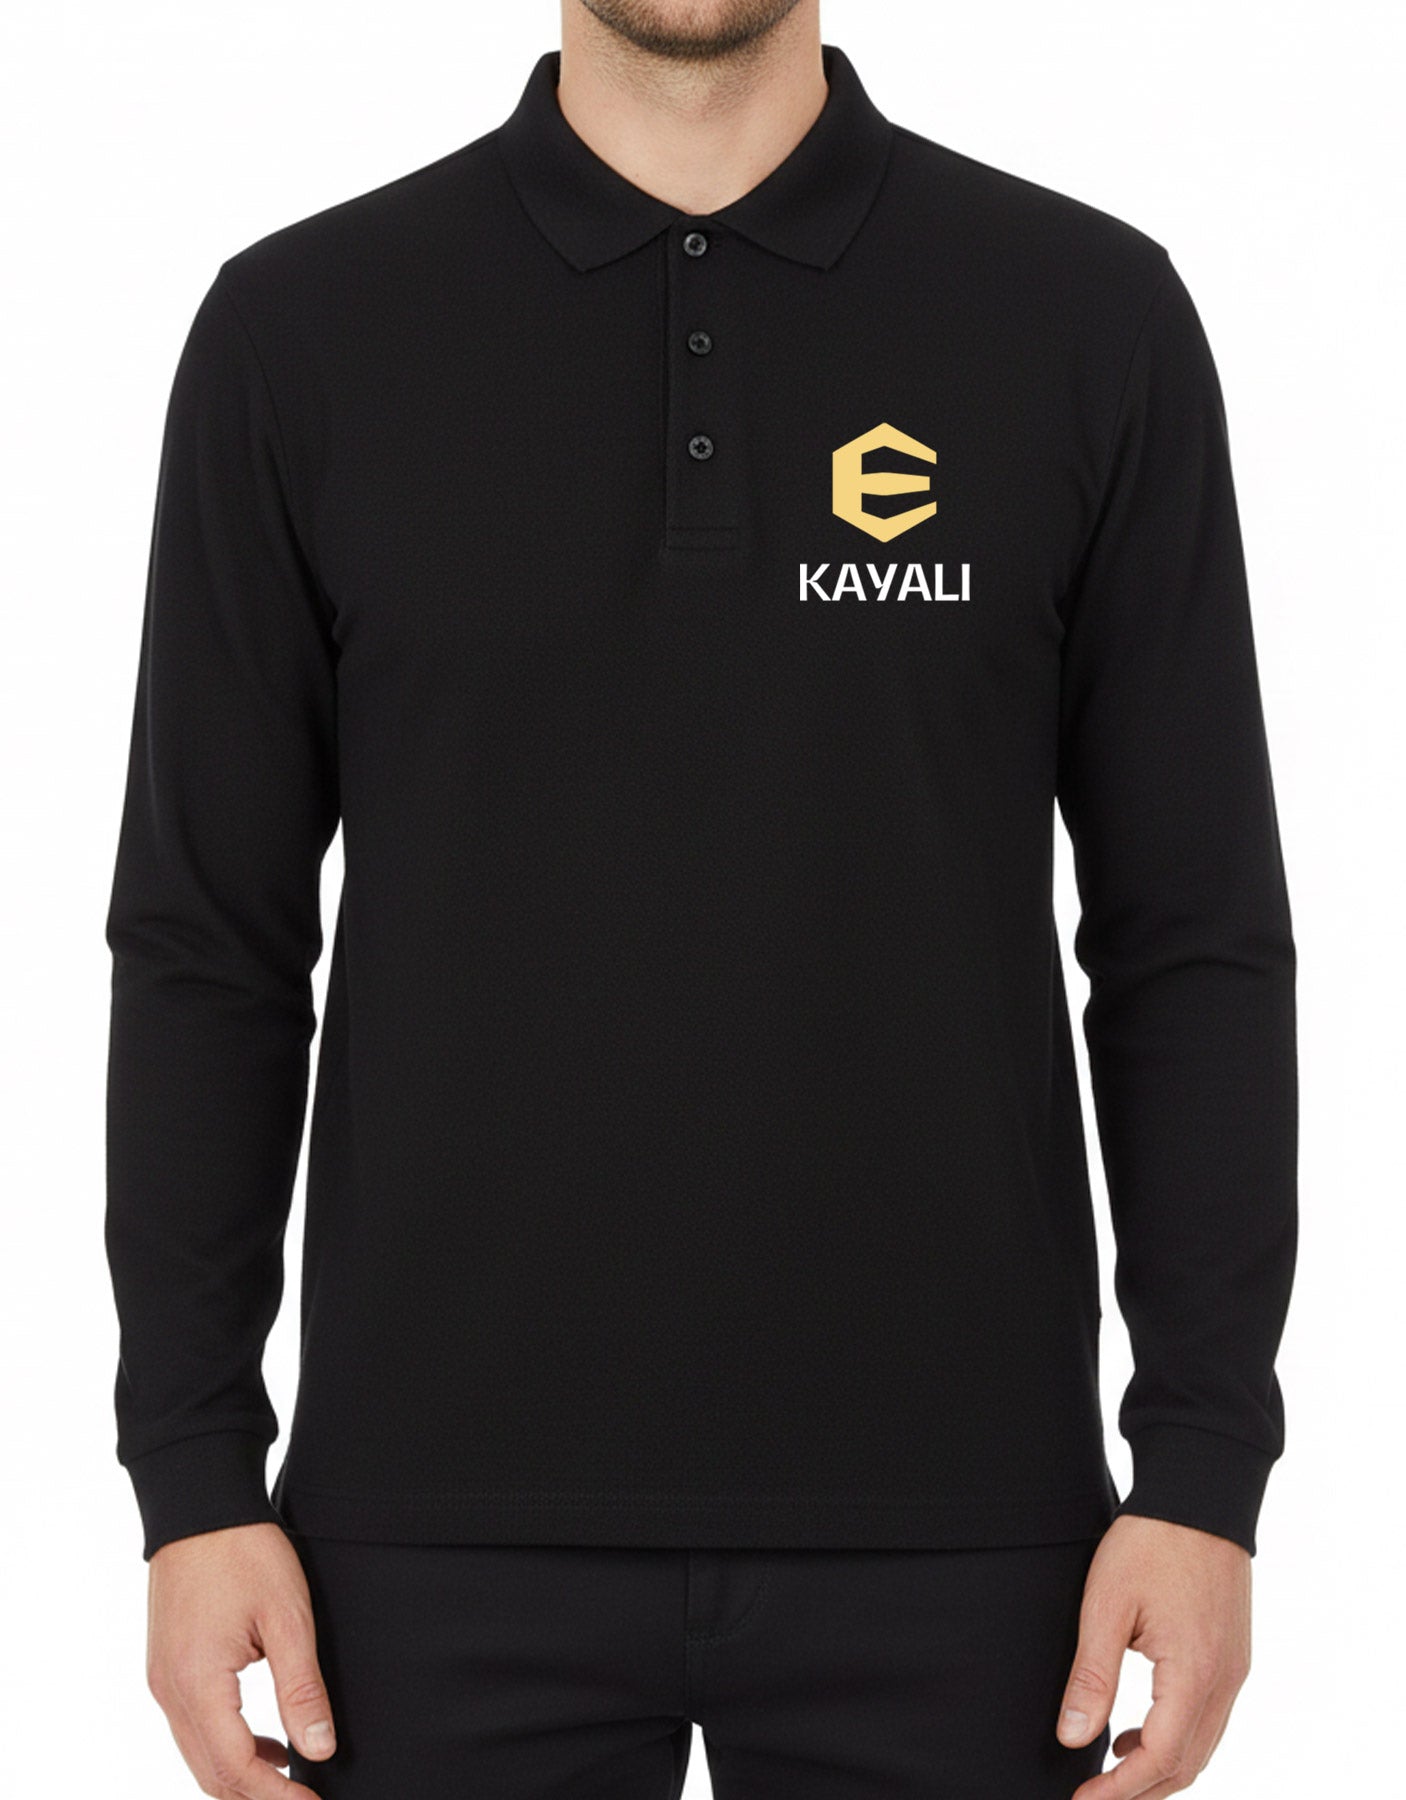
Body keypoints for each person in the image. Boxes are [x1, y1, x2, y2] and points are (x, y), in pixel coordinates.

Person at [103, 3, 1298, 1796]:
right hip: (421, 1545)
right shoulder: (302, 332)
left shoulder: (1081, 316)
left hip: (967, 1541)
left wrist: (1202, 1469)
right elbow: (208, 943)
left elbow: (1189, 936)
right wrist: (192, 1476)